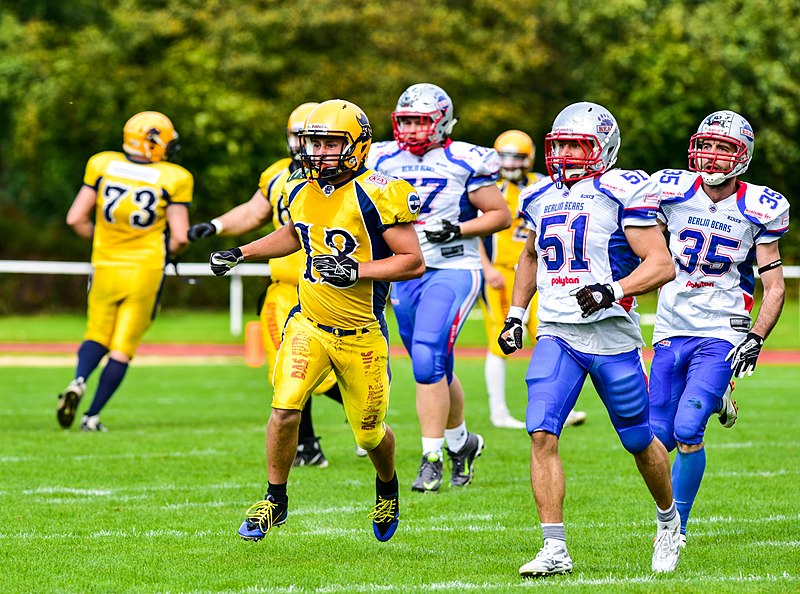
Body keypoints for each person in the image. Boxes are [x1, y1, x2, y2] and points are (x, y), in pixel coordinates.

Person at [210, 99, 424, 542]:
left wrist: (356, 270)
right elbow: (293, 234)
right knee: (284, 408)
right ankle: (275, 499)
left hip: (362, 332)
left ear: (359, 145)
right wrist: (242, 252)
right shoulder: (297, 187)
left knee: (368, 437)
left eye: (330, 143)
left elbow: (412, 261)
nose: (318, 152)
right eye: (313, 142)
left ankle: (387, 485)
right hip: (308, 322)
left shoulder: (382, 192)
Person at [498, 101, 682, 576]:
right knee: (541, 432)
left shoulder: (624, 191)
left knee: (640, 441)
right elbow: (530, 257)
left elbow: (661, 264)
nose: (565, 156)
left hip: (612, 337)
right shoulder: (538, 197)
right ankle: (554, 549)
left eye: (576, 146)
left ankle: (668, 520)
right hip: (557, 332)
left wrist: (613, 290)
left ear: (604, 148)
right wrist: (517, 314)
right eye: (558, 146)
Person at [649, 110, 789, 548]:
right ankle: (717, 397)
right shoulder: (668, 190)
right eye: (706, 145)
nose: (711, 156)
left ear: (742, 156)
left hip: (723, 329)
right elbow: (643, 249)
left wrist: (756, 337)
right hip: (671, 324)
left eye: (723, 148)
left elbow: (775, 285)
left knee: (689, 428)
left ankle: (677, 529)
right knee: (656, 439)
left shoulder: (759, 206)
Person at [188, 102, 352, 467]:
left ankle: (367, 414)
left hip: (336, 289)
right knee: (289, 367)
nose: (304, 146)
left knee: (340, 370)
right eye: (300, 137)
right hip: (283, 288)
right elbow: (253, 213)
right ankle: (307, 445)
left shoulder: (352, 181)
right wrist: (215, 226)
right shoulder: (279, 175)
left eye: (315, 138)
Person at [368, 83, 512, 493]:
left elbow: (499, 214)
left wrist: (461, 227)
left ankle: (430, 457)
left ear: (443, 121)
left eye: (421, 120)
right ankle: (461, 442)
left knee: (428, 354)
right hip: (405, 272)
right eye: (406, 120)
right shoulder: (380, 157)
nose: (412, 128)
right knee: (432, 364)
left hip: (453, 266)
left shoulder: (464, 158)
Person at [57, 111, 192, 431]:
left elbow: (75, 218)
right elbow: (181, 236)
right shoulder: (174, 177)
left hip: (105, 263)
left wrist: (104, 240)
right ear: (153, 142)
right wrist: (169, 251)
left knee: (96, 333)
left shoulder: (102, 164)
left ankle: (78, 380)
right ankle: (91, 417)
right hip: (144, 269)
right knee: (122, 346)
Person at [480, 129, 587, 429]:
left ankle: (555, 406)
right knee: (499, 339)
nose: (510, 164)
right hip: (501, 272)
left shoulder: (542, 185)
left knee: (550, 334)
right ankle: (498, 411)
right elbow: (475, 231)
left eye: (516, 157)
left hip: (539, 271)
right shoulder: (490, 188)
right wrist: (486, 267)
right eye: (504, 157)